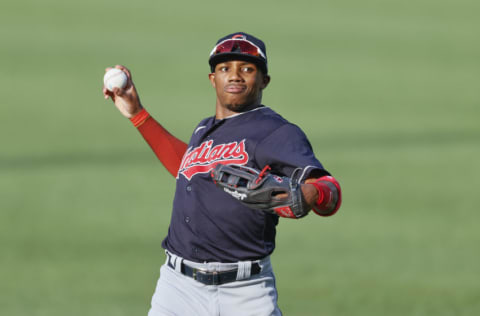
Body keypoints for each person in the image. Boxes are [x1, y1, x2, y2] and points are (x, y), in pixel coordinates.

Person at [103, 32, 342, 316]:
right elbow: (187, 168)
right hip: (177, 287)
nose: (235, 76)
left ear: (264, 80)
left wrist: (309, 193)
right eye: (224, 68)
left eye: (247, 68)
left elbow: (330, 189)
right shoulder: (204, 130)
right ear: (212, 79)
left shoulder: (277, 132)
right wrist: (138, 114)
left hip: (245, 292)